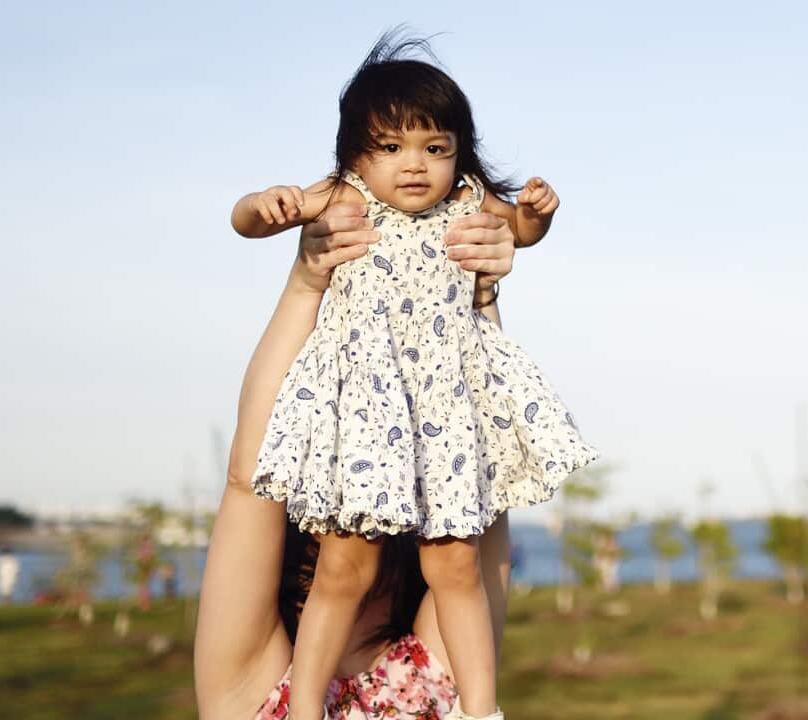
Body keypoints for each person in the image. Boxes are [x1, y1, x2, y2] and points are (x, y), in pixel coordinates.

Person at [227, 33, 598, 720]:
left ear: (458, 150)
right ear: (355, 156)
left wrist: (536, 218)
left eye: (435, 146)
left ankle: (482, 709)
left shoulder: (467, 201)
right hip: (367, 407)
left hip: (446, 404)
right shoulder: (343, 199)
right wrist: (265, 204)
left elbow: (517, 230)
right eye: (391, 147)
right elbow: (245, 221)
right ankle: (306, 708)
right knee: (345, 561)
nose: (416, 165)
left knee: (456, 561)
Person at [195, 196, 519, 718]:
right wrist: (307, 282)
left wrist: (472, 293)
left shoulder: (437, 666)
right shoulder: (253, 679)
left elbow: (480, 475)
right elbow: (250, 477)